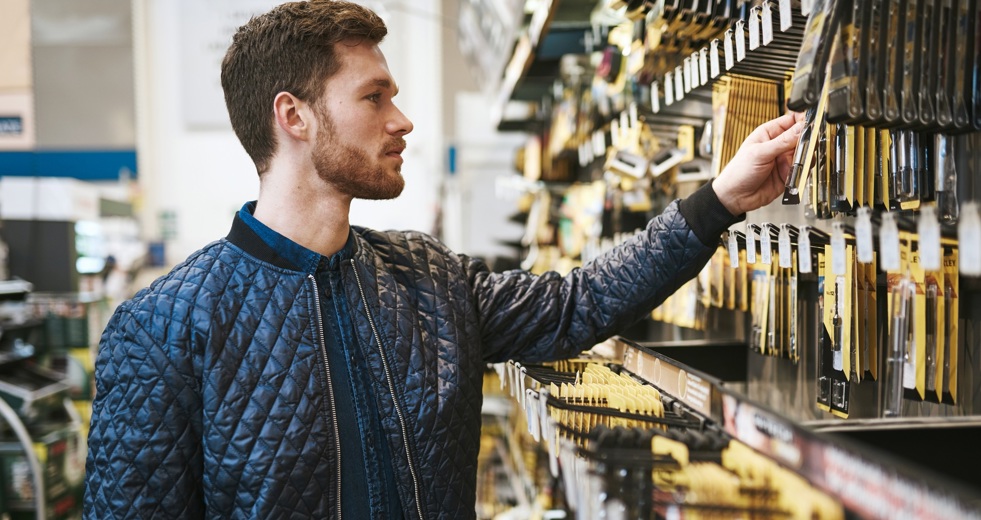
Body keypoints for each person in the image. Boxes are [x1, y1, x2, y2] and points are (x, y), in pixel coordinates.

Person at [82, 1, 805, 518]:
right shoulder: (163, 327)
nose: (403, 120)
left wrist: (718, 201)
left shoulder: (426, 277)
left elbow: (576, 303)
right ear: (293, 116)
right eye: (374, 97)